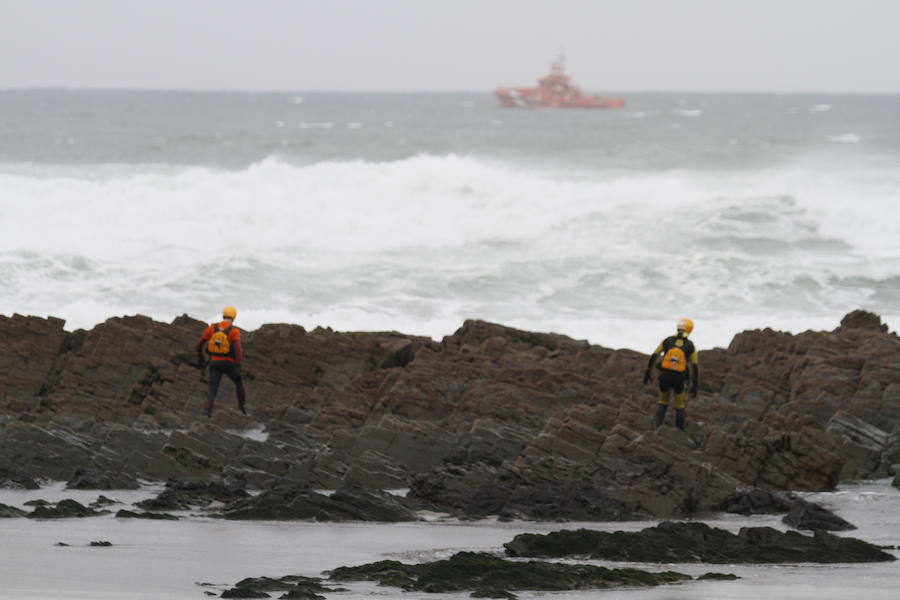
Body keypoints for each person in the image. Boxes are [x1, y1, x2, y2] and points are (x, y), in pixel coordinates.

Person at [643, 318, 698, 431]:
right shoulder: (690, 345)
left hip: (664, 377)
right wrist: (695, 384)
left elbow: (654, 356)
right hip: (679, 379)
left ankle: (656, 428)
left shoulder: (667, 341)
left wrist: (648, 372)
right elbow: (695, 366)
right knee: (680, 406)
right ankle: (679, 432)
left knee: (663, 402)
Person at [197, 306, 246, 417]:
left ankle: (207, 412)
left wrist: (201, 357)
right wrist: (238, 364)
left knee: (213, 388)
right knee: (238, 382)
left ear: (223, 315)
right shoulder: (234, 331)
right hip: (228, 363)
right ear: (234, 317)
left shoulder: (212, 328)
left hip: (214, 362)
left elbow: (199, 345)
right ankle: (242, 408)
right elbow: (238, 349)